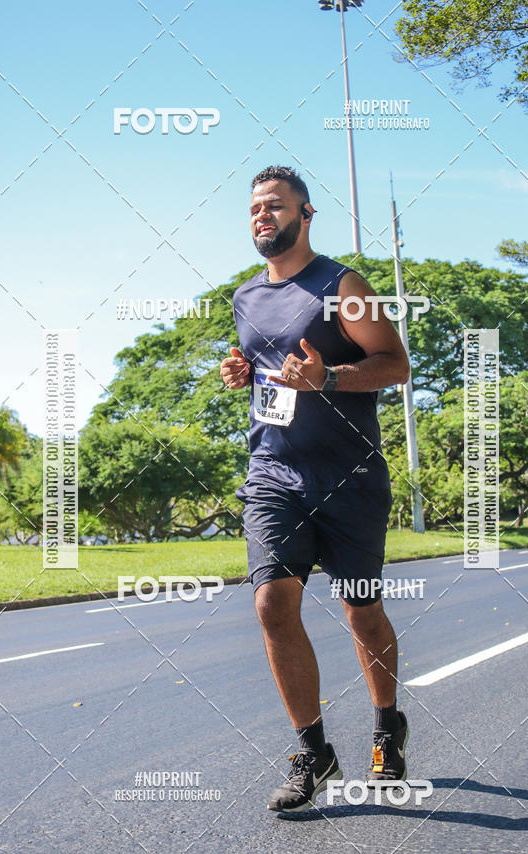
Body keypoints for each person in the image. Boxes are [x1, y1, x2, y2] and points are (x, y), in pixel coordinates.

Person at [219, 165, 411, 813]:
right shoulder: (246, 297)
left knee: (361, 610)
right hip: (273, 471)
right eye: (255, 208)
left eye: (275, 206)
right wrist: (245, 372)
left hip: (349, 475)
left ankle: (386, 726)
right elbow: (271, 370)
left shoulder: (341, 286)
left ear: (306, 214)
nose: (262, 216)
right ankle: (313, 752)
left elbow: (395, 364)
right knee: (273, 603)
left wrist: (327, 379)